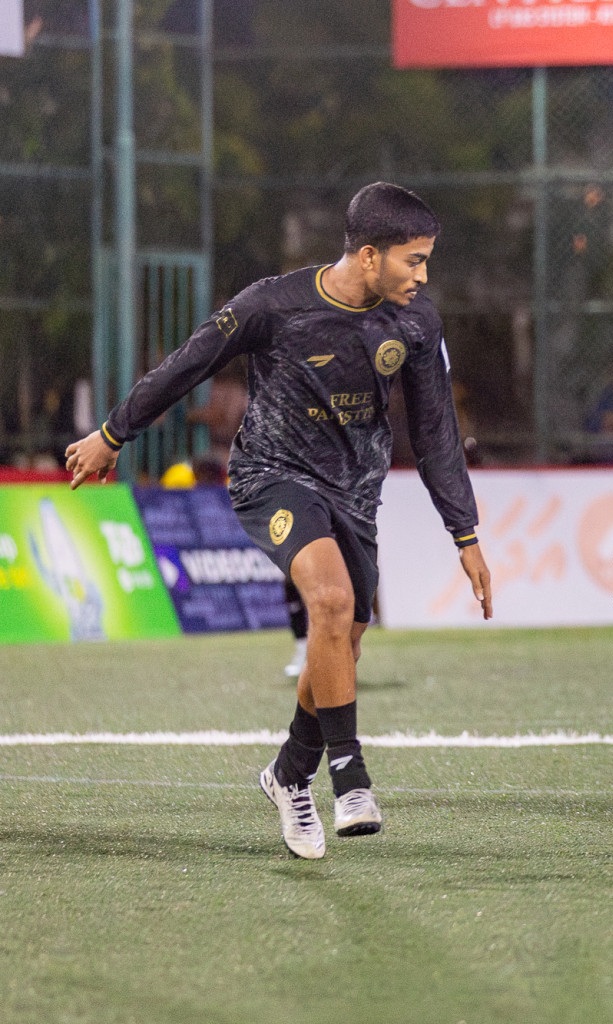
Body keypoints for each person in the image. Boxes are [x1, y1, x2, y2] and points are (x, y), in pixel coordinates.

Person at [66, 182, 493, 860]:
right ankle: (350, 776)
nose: (424, 275)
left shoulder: (416, 322)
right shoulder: (273, 303)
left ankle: (290, 775)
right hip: (273, 476)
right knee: (329, 599)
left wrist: (464, 533)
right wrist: (113, 435)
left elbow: (437, 430)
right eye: (413, 260)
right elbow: (188, 365)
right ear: (370, 254)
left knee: (340, 644)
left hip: (356, 492)